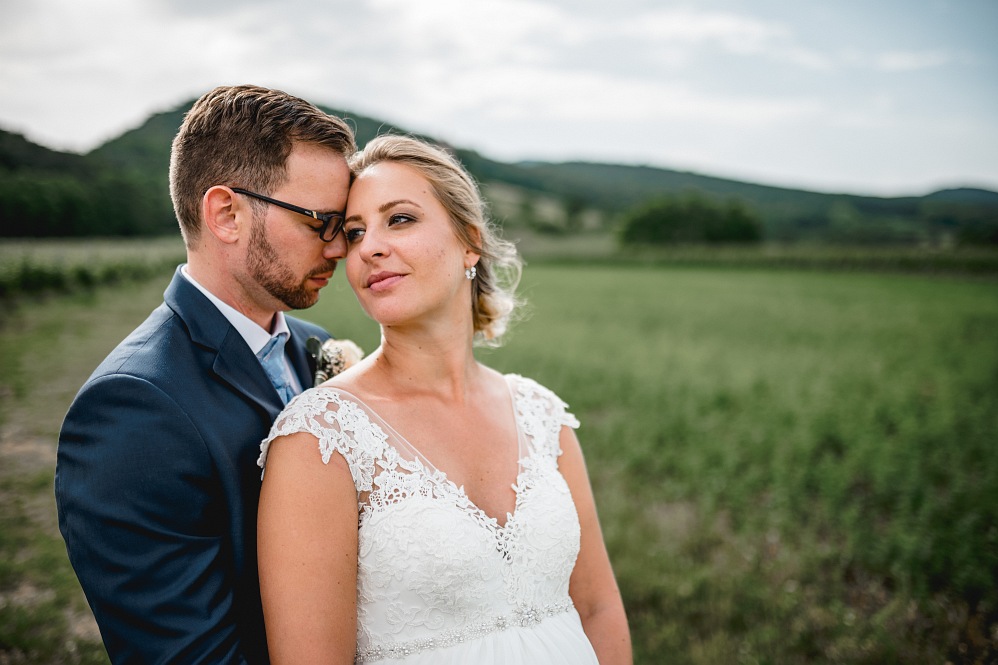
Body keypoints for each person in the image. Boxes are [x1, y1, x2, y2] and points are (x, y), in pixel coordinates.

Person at [257, 135, 632, 664]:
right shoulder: (321, 437)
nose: (368, 248)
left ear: (469, 243)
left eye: (401, 219)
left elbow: (595, 607)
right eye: (356, 231)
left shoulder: (542, 415)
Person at [55, 84, 356, 664]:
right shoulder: (132, 410)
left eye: (346, 226)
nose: (340, 248)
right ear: (226, 214)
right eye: (322, 221)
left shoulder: (317, 349)